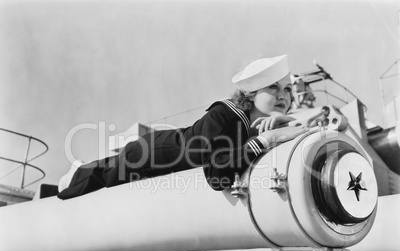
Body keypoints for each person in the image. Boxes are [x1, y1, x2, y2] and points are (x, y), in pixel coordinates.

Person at [57, 55, 307, 200]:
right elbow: (217, 174)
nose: (283, 96)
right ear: (251, 95)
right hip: (152, 154)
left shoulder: (249, 123)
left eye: (286, 88)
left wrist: (282, 127)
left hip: (163, 150)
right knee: (105, 174)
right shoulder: (225, 115)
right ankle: (74, 174)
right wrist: (267, 139)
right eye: (273, 87)